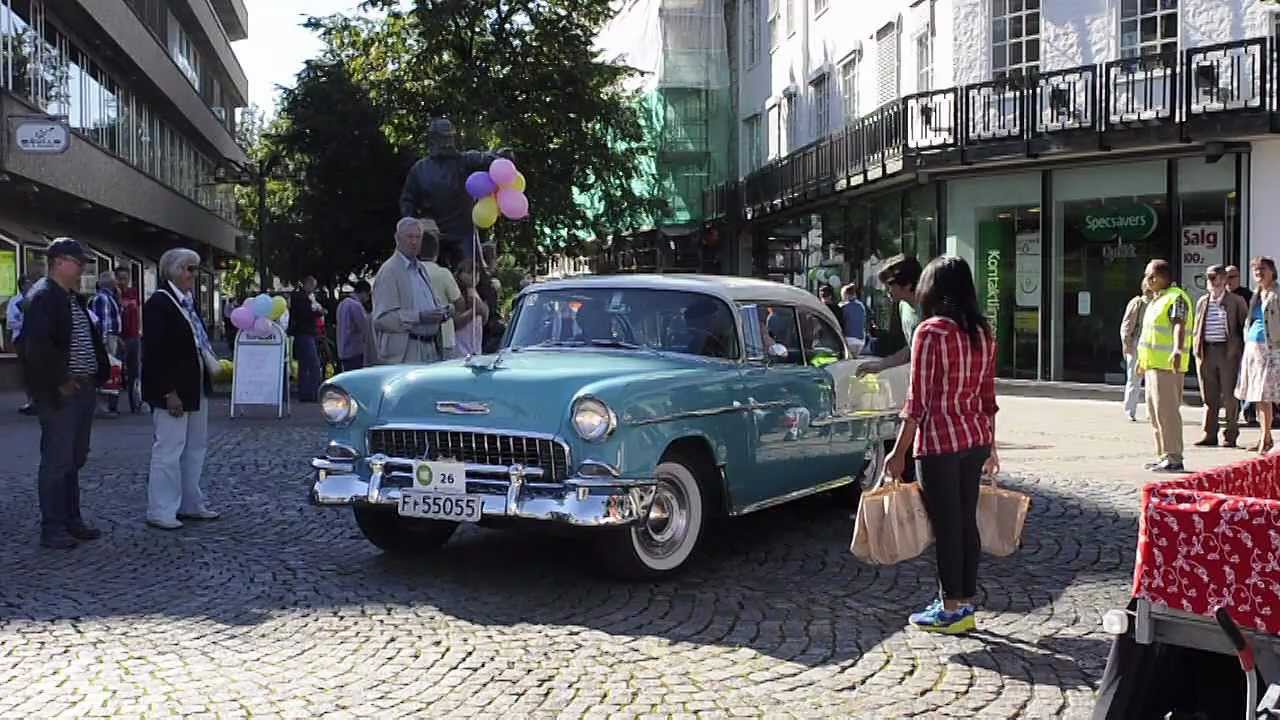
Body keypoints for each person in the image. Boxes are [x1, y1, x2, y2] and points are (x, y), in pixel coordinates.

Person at [885, 256, 999, 635]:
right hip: (975, 439)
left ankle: (951, 608)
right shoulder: (983, 332)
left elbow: (917, 401)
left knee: (946, 526)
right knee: (966, 523)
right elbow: (988, 397)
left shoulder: (930, 332)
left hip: (938, 443)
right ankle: (963, 602)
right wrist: (993, 446)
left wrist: (898, 451)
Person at [23, 238, 109, 549]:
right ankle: (53, 526)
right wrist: (59, 381)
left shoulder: (71, 298)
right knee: (57, 460)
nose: (83, 268)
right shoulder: (45, 296)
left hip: (82, 387)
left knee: (74, 457)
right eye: (78, 262)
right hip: (61, 391)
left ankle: (71, 518)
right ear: (59, 261)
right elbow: (35, 348)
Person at [142, 248, 219, 530]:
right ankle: (160, 508)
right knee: (169, 449)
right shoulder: (159, 304)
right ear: (173, 270)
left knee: (195, 447)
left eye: (195, 269)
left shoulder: (187, 302)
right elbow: (154, 353)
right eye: (189, 268)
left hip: (195, 385)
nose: (193, 275)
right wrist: (167, 392)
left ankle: (190, 501)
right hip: (173, 389)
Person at [399, 118, 512, 269]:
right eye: (442, 138)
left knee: (477, 280)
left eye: (449, 138)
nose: (447, 143)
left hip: (464, 236)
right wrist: (415, 225)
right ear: (432, 140)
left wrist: (502, 157)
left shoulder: (465, 161)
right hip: (433, 237)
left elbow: (490, 160)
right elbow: (407, 201)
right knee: (430, 279)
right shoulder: (419, 170)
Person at [1136, 259, 1194, 472]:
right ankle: (1163, 455)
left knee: (1167, 413)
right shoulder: (1156, 300)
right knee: (1155, 413)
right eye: (1147, 276)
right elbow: (1149, 335)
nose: (1148, 280)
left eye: (1151, 276)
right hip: (1153, 365)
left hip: (1168, 366)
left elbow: (1179, 324)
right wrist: (1142, 362)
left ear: (1163, 277)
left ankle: (1174, 457)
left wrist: (1177, 349)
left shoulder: (1176, 297)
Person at [372, 217, 451, 364]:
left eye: (418, 237)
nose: (414, 242)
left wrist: (443, 312)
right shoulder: (389, 271)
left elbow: (430, 304)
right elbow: (381, 320)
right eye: (409, 237)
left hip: (431, 348)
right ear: (397, 239)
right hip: (407, 353)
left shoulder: (421, 269)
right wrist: (419, 317)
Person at [1193, 265, 1248, 448]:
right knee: (1209, 396)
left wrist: (1241, 352)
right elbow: (1197, 328)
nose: (1212, 282)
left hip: (1227, 353)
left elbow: (1244, 328)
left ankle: (1230, 435)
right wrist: (1196, 350)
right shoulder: (1203, 301)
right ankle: (1209, 434)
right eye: (1209, 278)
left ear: (1224, 280)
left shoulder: (1236, 301)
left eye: (1215, 278)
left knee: (1230, 396)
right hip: (1206, 351)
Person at [1236, 257, 1280, 455]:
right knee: (1257, 396)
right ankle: (1266, 436)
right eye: (1255, 270)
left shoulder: (1276, 294)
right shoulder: (1257, 293)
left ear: (1272, 271)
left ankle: (1265, 438)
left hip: (1270, 348)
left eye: (1262, 269)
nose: (1258, 273)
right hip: (1253, 348)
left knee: (1265, 394)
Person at [857, 254, 923, 375]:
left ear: (907, 284)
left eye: (890, 284)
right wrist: (879, 365)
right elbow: (911, 350)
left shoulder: (930, 309)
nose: (885, 290)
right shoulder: (902, 306)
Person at [419, 219, 466, 358]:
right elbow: (460, 305)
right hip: (445, 338)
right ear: (436, 249)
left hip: (419, 340)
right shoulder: (443, 273)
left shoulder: (410, 272)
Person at [1227, 264, 1260, 427]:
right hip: (1225, 345)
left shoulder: (1248, 295)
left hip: (1245, 343)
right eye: (1226, 277)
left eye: (1232, 277)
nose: (1229, 280)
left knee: (1247, 378)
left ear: (1239, 278)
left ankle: (1249, 413)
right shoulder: (1219, 296)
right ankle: (1231, 414)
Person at [90, 271, 123, 417]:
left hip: (112, 337)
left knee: (112, 370)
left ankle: (107, 406)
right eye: (115, 279)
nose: (117, 282)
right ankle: (102, 407)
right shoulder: (102, 298)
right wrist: (102, 343)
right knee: (106, 370)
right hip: (107, 338)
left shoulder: (110, 297)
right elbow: (101, 322)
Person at [1119, 279, 1153, 422]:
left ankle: (1151, 412)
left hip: (1152, 344)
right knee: (1134, 378)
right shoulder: (1137, 303)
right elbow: (1127, 325)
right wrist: (1127, 344)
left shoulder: (1158, 303)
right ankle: (1130, 410)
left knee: (1152, 380)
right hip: (1137, 343)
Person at [288, 276, 322, 402]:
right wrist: (318, 312)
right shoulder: (301, 298)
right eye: (313, 286)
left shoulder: (301, 297)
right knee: (313, 364)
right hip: (305, 333)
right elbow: (305, 314)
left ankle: (305, 393)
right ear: (308, 284)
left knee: (304, 365)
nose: (314, 289)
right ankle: (313, 392)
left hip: (303, 333)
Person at [116, 268, 142, 414]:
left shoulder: (133, 292)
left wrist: (140, 331)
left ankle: (135, 403)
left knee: (134, 371)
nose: (123, 282)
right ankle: (113, 405)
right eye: (120, 278)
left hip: (134, 336)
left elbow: (138, 311)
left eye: (125, 278)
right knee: (117, 371)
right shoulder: (114, 294)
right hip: (120, 337)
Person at [8, 276, 34, 414]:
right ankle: (30, 399)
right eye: (29, 284)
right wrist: (25, 322)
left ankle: (38, 399)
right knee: (26, 369)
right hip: (21, 338)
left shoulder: (35, 299)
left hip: (35, 338)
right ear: (22, 286)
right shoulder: (15, 301)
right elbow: (10, 322)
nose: (31, 286)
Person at [453, 261, 488, 357]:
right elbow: (455, 323)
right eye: (469, 273)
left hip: (475, 348)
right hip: (460, 349)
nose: (474, 276)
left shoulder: (477, 292)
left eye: (476, 273)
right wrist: (473, 312)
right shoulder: (456, 294)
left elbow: (484, 319)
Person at [336, 280, 372, 372]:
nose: (368, 298)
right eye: (368, 294)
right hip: (354, 350)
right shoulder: (356, 306)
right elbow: (364, 327)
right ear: (363, 293)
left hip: (342, 349)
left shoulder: (342, 304)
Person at [840, 282, 868, 357]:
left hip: (848, 340)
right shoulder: (861, 306)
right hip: (861, 341)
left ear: (846, 294)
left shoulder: (843, 307)